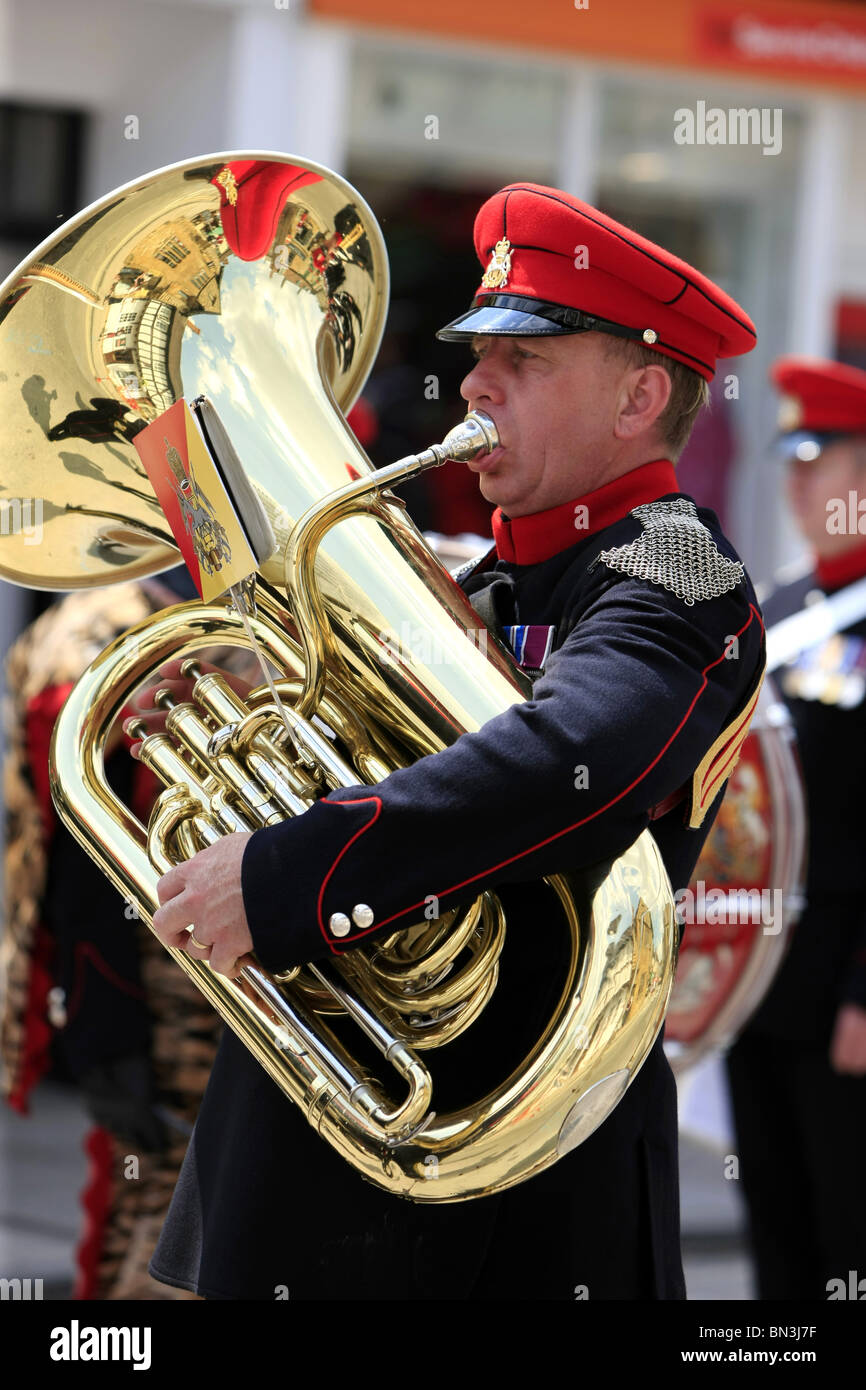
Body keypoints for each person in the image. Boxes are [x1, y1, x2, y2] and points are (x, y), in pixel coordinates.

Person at [129, 182, 765, 1301]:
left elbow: (579, 753)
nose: (474, 381)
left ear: (638, 397)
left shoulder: (676, 570)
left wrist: (290, 870)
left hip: (502, 1208)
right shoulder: (476, 578)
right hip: (315, 1165)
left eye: (526, 361)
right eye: (477, 355)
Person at [0, 568, 224, 1299]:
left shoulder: (90, 624)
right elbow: (83, 868)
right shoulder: (95, 642)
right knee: (166, 1247)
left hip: (206, 994)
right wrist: (107, 1039)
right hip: (174, 1015)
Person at [725, 356, 866, 1300]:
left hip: (847, 990)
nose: (800, 480)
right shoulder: (780, 608)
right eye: (794, 460)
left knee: (850, 1234)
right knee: (774, 1230)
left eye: (823, 458)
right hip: (758, 972)